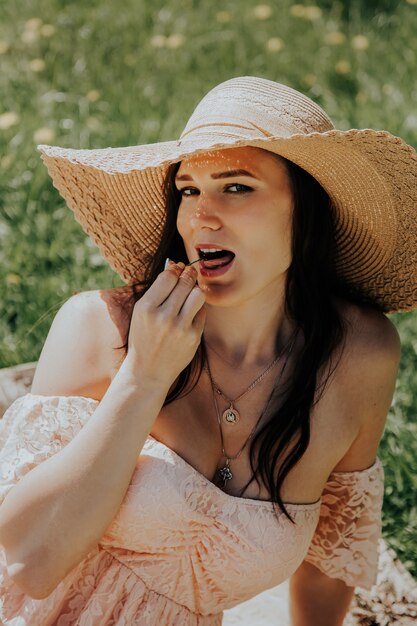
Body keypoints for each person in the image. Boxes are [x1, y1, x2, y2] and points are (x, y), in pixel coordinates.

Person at [0, 76, 416, 626]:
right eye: (189, 189)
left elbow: (329, 557)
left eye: (237, 187)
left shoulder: (360, 354)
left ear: (307, 208)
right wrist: (144, 378)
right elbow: (27, 562)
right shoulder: (100, 329)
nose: (201, 216)